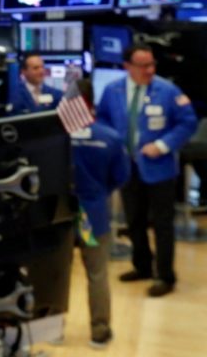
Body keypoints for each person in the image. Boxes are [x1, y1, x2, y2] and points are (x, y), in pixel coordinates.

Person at [96, 43, 197, 297]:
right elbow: (102, 119)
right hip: (127, 166)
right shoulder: (113, 90)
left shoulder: (168, 90)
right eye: (143, 65)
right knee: (134, 220)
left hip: (159, 168)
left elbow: (188, 122)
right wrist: (112, 143)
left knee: (162, 224)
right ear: (127, 66)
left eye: (152, 64)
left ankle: (165, 276)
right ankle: (142, 266)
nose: (149, 70)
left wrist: (163, 145)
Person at [71, 79, 130, 348]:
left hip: (59, 216)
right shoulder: (109, 137)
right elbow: (121, 176)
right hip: (90, 216)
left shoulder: (56, 136)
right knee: (97, 274)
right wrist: (98, 193)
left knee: (53, 271)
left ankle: (49, 326)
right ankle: (100, 331)